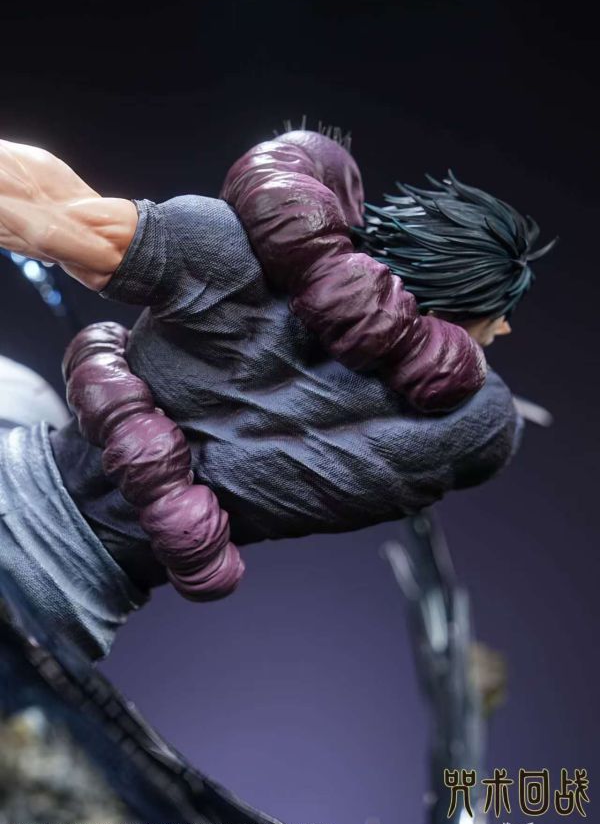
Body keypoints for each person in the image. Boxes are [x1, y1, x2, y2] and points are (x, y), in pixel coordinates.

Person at [0, 130, 554, 661]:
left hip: (28, 505)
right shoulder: (457, 431)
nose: (504, 330)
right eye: (500, 315)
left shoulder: (224, 251)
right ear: (471, 313)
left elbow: (38, 204)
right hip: (67, 607)